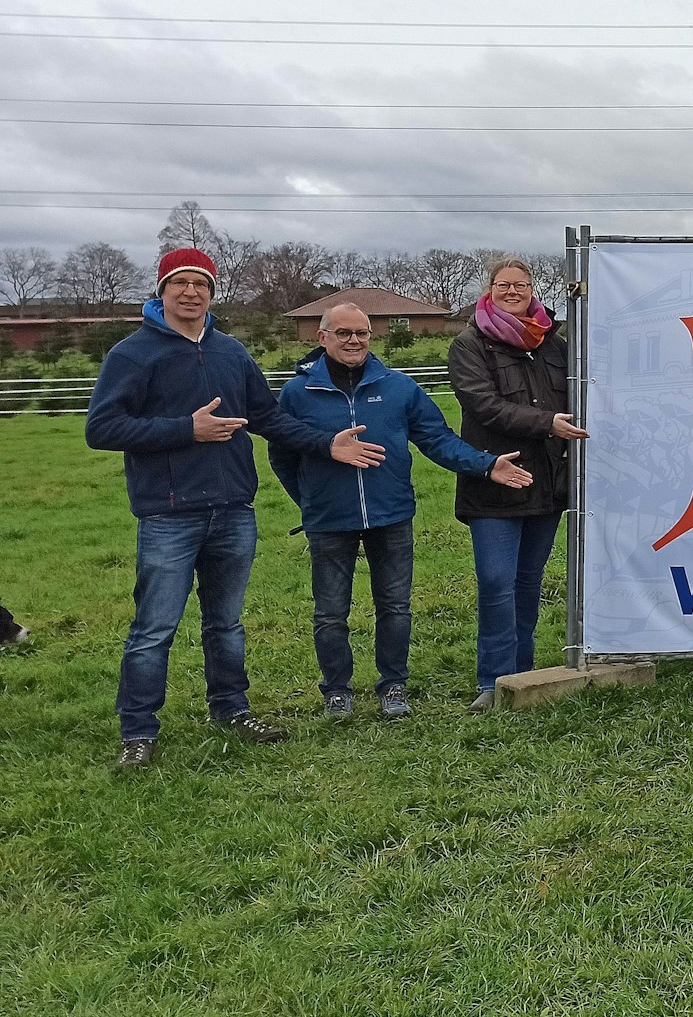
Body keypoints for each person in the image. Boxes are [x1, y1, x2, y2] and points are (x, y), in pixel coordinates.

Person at [85, 248, 385, 769]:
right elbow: (101, 428)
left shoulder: (230, 352)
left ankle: (230, 708)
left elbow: (269, 417)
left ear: (211, 292)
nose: (190, 292)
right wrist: (186, 429)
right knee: (154, 627)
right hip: (169, 513)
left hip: (233, 511)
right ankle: (138, 730)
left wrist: (326, 444)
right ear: (161, 290)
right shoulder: (132, 355)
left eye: (200, 283)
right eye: (179, 282)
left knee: (226, 624)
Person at [272, 303, 534, 722]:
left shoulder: (398, 387)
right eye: (343, 333)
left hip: (391, 515)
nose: (354, 341)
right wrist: (309, 500)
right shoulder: (297, 393)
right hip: (328, 520)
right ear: (321, 338)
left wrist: (487, 465)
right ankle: (336, 691)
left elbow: (439, 440)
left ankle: (393, 685)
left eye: (361, 332)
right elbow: (282, 455)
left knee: (395, 606)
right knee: (330, 611)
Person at [448, 256, 588, 713]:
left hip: (546, 483)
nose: (513, 291)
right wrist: (548, 422)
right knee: (495, 580)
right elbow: (483, 405)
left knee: (529, 582)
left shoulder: (556, 344)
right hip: (495, 482)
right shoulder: (470, 344)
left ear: (532, 289)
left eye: (521, 284)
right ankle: (492, 679)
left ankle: (521, 675)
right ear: (489, 289)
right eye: (504, 284)